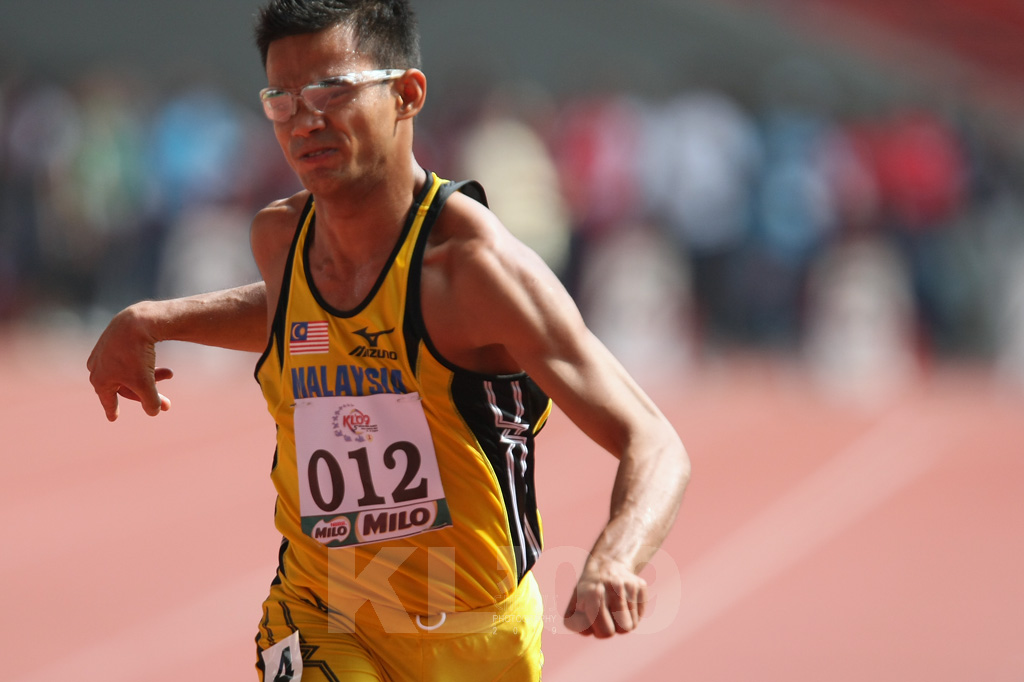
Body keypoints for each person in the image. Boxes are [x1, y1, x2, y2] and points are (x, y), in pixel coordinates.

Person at [86, 1, 690, 680]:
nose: (304, 119)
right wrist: (154, 319)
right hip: (320, 610)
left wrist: (614, 557)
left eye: (331, 90)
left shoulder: (477, 273)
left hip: (474, 636)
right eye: (281, 99)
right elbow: (304, 318)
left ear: (406, 94)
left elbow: (655, 442)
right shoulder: (280, 243)